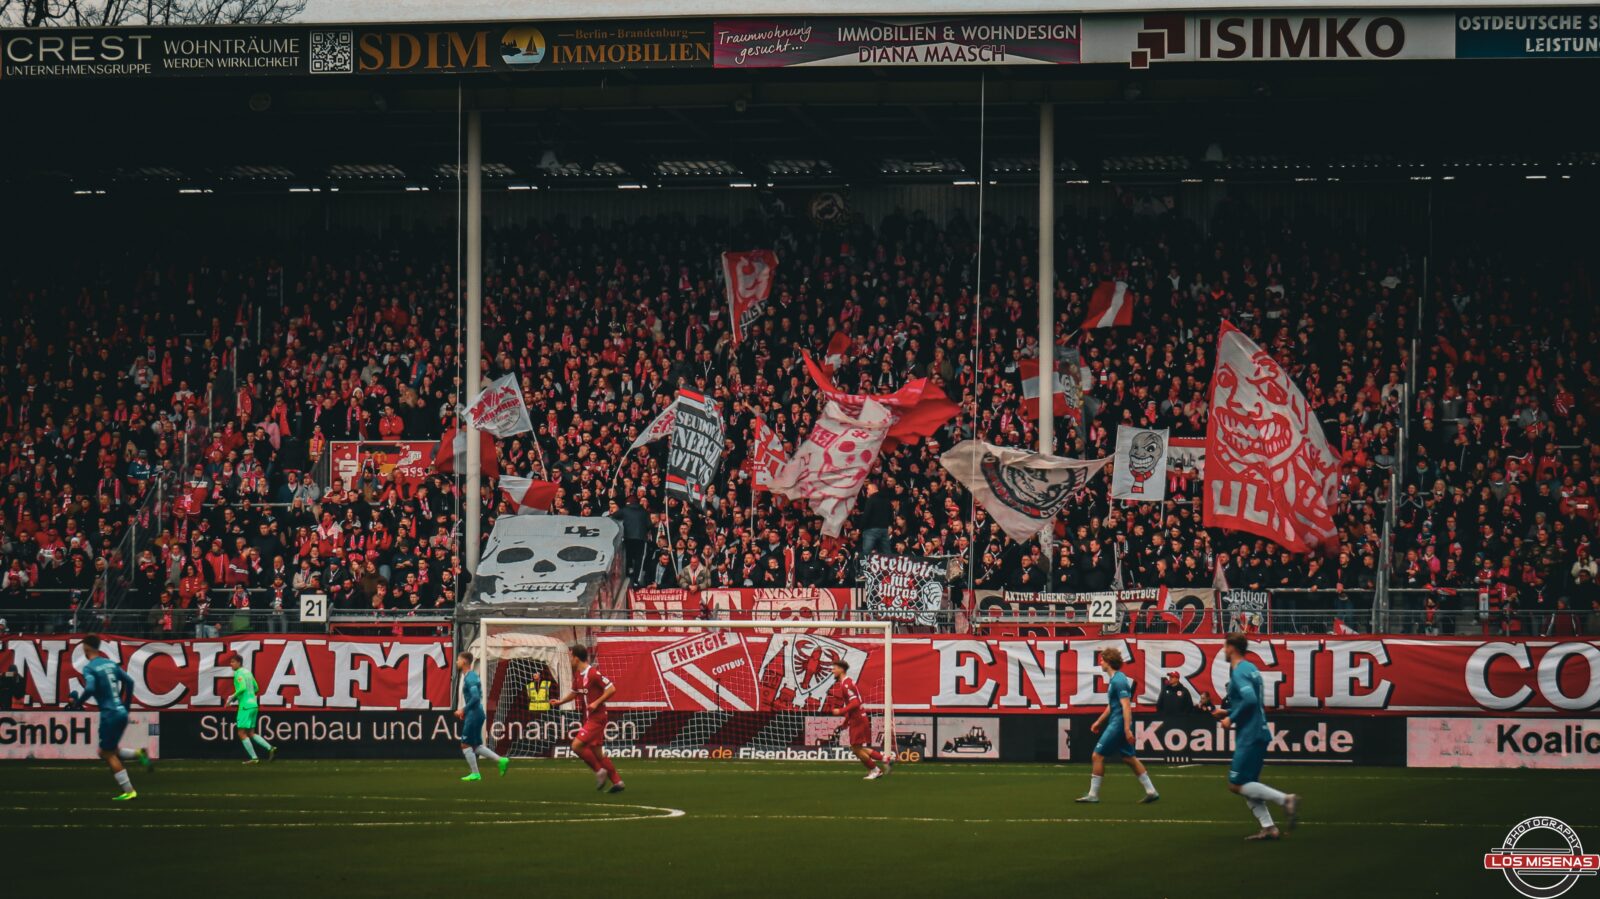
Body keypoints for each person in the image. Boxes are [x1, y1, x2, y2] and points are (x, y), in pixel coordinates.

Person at [1211, 633, 1300, 840]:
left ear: (1232, 647)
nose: (1224, 650)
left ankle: (1286, 800)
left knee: (1236, 784)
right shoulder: (1251, 668)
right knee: (1248, 783)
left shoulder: (1239, 671)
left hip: (1250, 734)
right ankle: (1268, 827)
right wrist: (1227, 711)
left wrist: (1231, 718)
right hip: (1257, 730)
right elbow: (1251, 701)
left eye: (1225, 646)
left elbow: (1250, 700)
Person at [65, 634, 150, 801]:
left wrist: (78, 703)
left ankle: (129, 791)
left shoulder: (90, 668)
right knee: (112, 750)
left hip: (109, 715)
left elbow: (90, 688)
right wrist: (126, 706)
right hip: (121, 712)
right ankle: (139, 754)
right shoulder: (111, 664)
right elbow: (130, 682)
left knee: (106, 753)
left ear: (86, 647)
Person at [1076, 647, 1158, 804]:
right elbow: (1112, 705)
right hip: (1118, 723)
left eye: (1102, 660)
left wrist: (1126, 729)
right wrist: (1099, 721)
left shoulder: (1119, 681)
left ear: (1108, 662)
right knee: (1129, 758)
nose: (1100, 663)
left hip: (1118, 724)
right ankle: (1151, 791)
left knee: (1097, 756)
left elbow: (1126, 706)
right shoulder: (1116, 679)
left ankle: (1093, 794)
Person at [554, 644, 623, 793]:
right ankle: (617, 781)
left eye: (570, 656)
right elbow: (574, 693)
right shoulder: (579, 675)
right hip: (589, 718)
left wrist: (596, 702)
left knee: (576, 746)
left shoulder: (593, 674)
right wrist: (560, 702)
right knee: (597, 752)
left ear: (576, 658)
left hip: (597, 718)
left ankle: (599, 771)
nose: (569, 659)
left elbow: (612, 688)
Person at [827, 659, 893, 780]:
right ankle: (885, 759)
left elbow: (855, 702)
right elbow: (853, 704)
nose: (832, 671)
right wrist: (846, 720)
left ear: (841, 669)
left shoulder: (846, 684)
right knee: (858, 748)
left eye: (834, 668)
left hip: (858, 720)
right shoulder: (846, 683)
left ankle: (875, 770)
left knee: (856, 749)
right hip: (857, 718)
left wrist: (841, 711)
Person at [454, 651, 508, 782]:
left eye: (458, 660)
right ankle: (501, 760)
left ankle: (475, 773)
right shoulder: (470, 676)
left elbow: (475, 697)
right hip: (475, 713)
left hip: (474, 714)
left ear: (464, 662)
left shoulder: (470, 677)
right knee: (476, 745)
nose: (456, 662)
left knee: (465, 744)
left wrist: (463, 710)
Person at [225, 653, 276, 764]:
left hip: (245, 707)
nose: (231, 664)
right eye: (231, 662)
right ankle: (270, 748)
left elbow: (242, 687)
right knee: (251, 733)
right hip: (253, 705)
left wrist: (231, 697)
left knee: (241, 733)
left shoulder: (238, 673)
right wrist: (247, 695)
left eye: (233, 662)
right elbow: (256, 687)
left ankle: (254, 758)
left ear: (239, 662)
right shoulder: (248, 672)